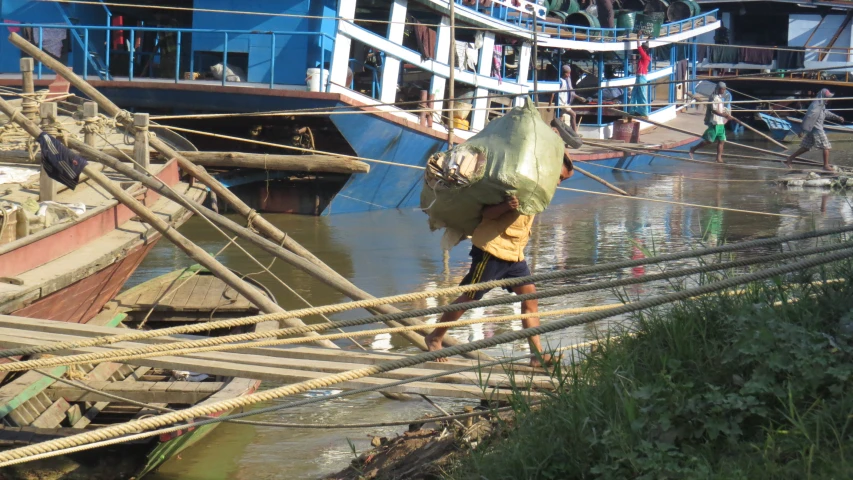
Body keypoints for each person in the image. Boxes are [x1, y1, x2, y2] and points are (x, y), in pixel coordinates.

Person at [424, 157, 576, 367]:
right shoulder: (516, 181)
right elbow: (487, 213)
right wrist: (506, 205)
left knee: (531, 301)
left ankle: (536, 356)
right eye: (559, 177)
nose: (558, 182)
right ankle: (435, 337)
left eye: (563, 180)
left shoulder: (539, 188)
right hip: (492, 250)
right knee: (469, 297)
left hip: (514, 254)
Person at [785, 88, 844, 171]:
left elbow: (826, 113)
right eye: (827, 97)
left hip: (813, 128)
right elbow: (808, 118)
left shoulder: (821, 105)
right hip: (817, 128)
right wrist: (802, 130)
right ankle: (826, 166)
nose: (828, 99)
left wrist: (838, 118)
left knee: (806, 147)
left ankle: (790, 158)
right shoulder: (815, 106)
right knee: (826, 146)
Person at [689, 81, 734, 163]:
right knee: (709, 140)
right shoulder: (713, 98)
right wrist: (724, 115)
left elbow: (722, 109)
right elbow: (714, 110)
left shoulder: (720, 98)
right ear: (718, 89)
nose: (723, 91)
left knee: (722, 140)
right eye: (722, 89)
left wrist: (727, 114)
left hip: (720, 123)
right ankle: (693, 148)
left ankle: (718, 158)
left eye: (724, 89)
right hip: (714, 122)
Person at [554, 64, 587, 131]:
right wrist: (550, 104)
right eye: (568, 73)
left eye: (570, 73)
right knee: (573, 114)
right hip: (561, 103)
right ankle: (575, 133)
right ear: (564, 73)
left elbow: (571, 91)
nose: (569, 75)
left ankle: (560, 131)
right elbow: (553, 92)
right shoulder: (559, 81)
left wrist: (579, 97)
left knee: (561, 117)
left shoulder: (568, 79)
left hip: (566, 102)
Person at [627, 42, 651, 117]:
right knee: (635, 93)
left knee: (642, 94)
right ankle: (634, 110)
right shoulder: (644, 57)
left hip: (641, 77)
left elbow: (639, 48)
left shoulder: (645, 57)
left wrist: (638, 38)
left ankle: (644, 112)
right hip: (639, 77)